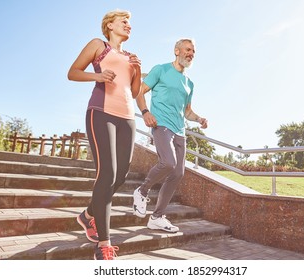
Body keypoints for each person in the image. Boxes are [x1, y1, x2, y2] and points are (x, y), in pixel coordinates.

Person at [67, 9, 141, 260]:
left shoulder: (130, 56)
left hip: (127, 117)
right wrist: (97, 75)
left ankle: (88, 214)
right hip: (101, 112)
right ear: (109, 25)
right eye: (124, 21)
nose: (129, 25)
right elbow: (73, 72)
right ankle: (104, 244)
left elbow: (133, 91)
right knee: (106, 173)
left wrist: (137, 71)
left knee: (121, 174)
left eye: (130, 22)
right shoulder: (99, 45)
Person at [133, 38, 208, 233]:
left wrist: (199, 119)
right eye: (188, 49)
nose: (191, 53)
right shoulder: (161, 70)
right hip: (161, 124)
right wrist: (145, 112)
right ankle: (142, 191)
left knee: (177, 173)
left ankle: (157, 217)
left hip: (179, 130)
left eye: (193, 51)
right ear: (177, 51)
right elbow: (139, 92)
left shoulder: (189, 83)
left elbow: (187, 111)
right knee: (168, 163)